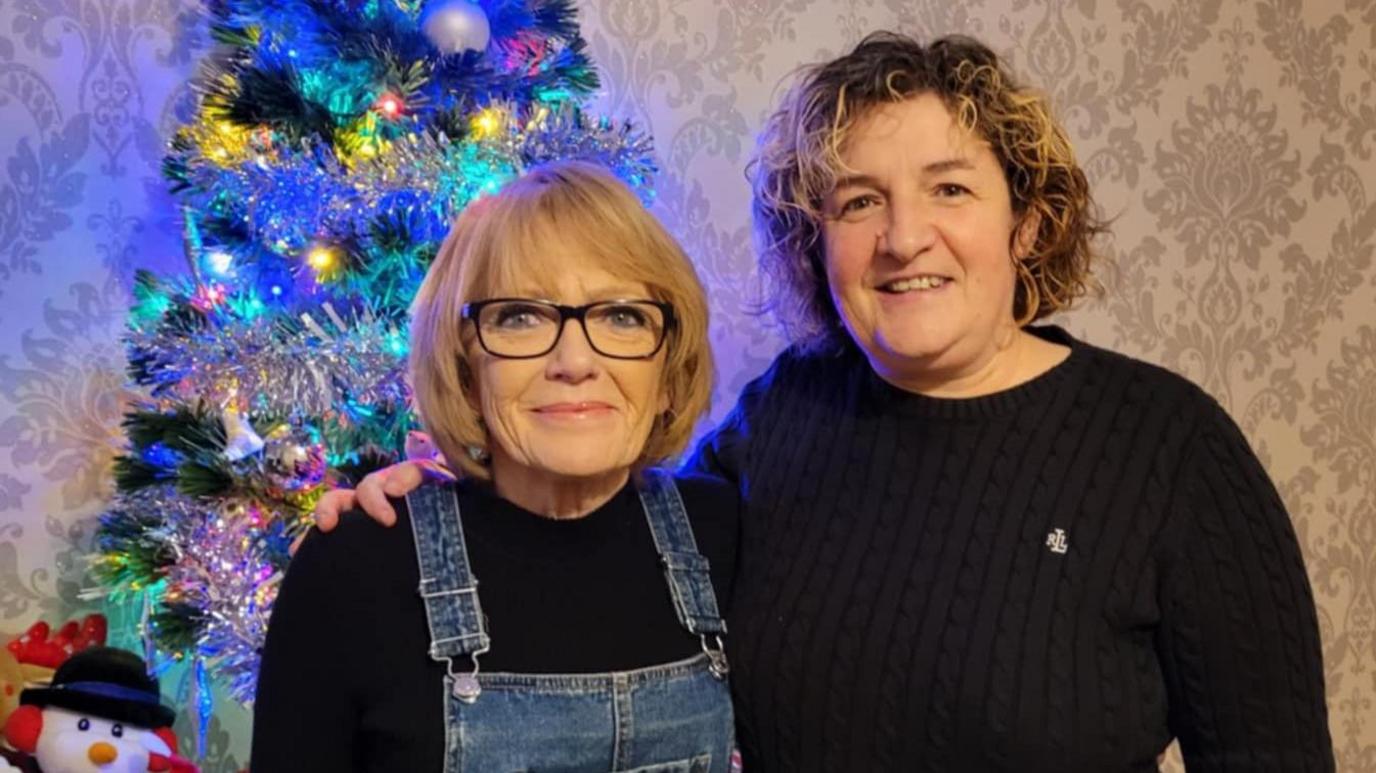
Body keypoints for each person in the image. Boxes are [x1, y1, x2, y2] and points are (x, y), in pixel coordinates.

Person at [314, 33, 1335, 771]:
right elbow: (605, 526)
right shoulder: (779, 420)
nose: (901, 237)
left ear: (1026, 222)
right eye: (857, 201)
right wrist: (456, 484)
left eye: (948, 188)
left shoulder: (1167, 449)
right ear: (818, 239)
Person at [250, 161, 740, 772]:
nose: (574, 361)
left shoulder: (726, 538)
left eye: (622, 315)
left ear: (668, 370)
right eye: (520, 316)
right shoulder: (358, 567)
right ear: (465, 369)